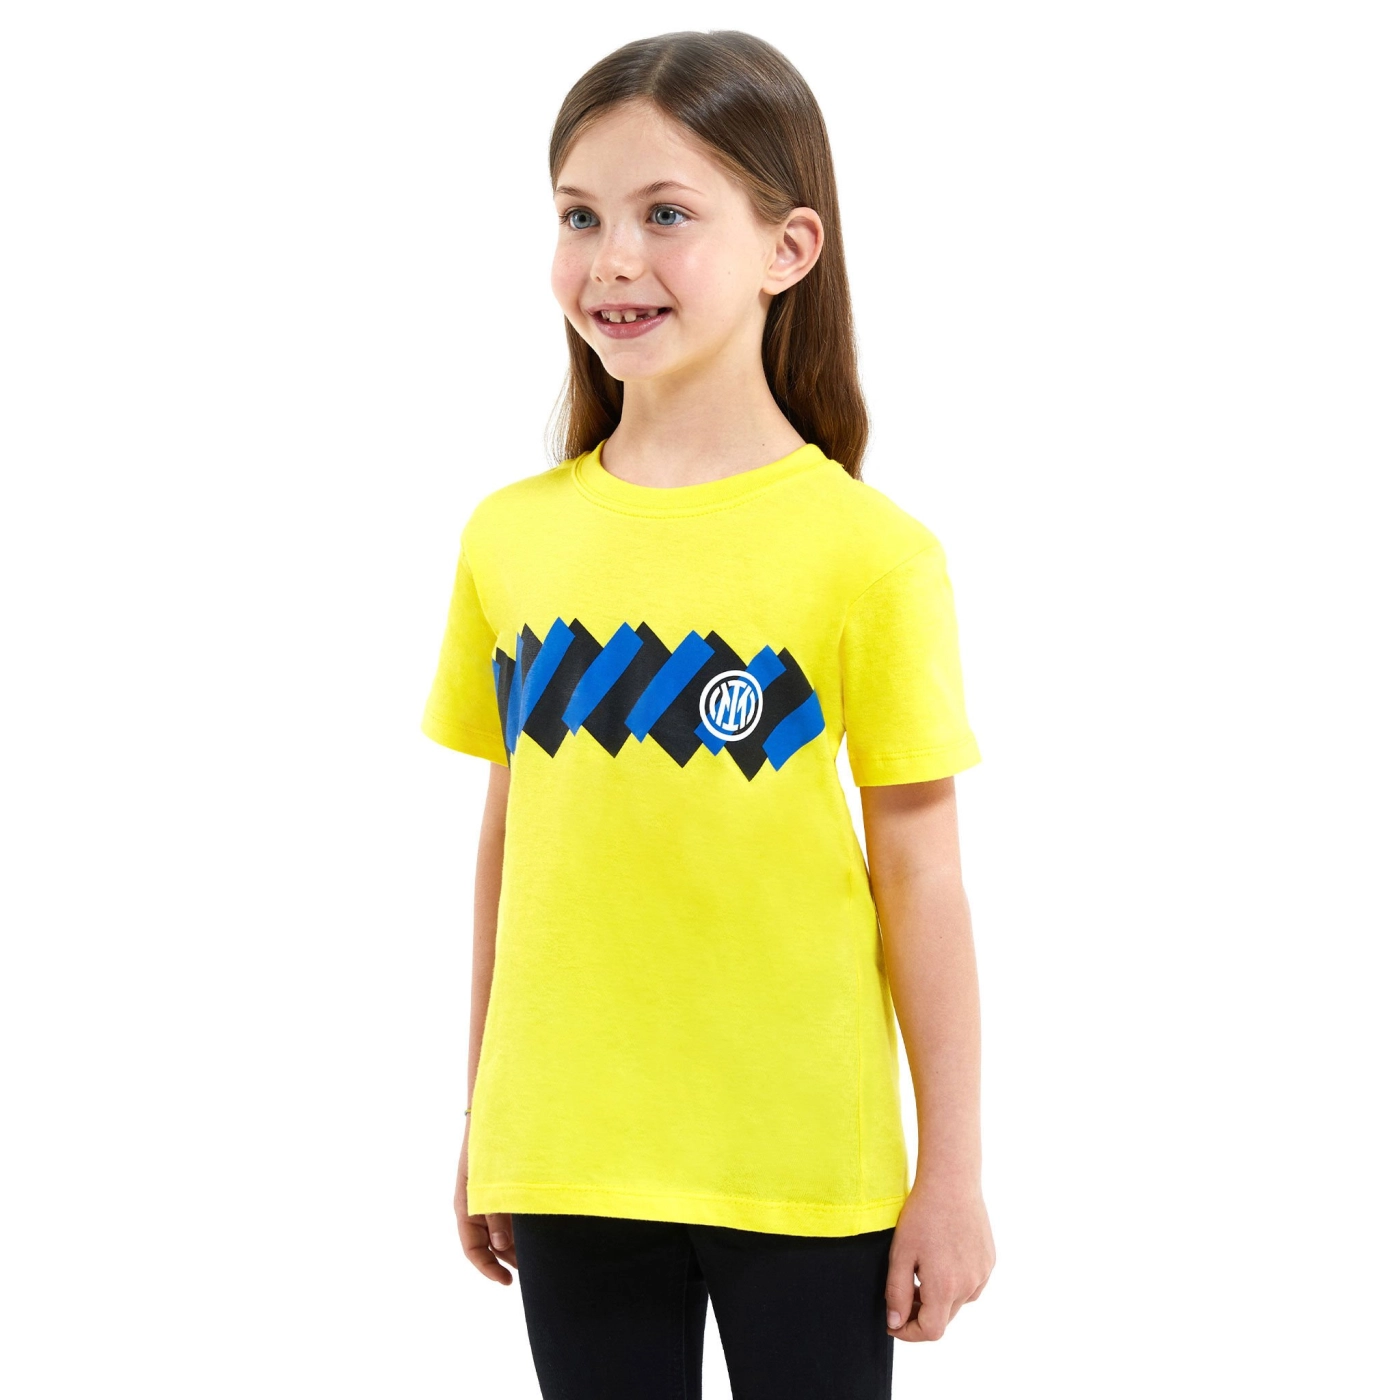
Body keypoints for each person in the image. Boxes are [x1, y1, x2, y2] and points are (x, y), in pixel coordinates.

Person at [421, 29, 994, 1399]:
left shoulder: (870, 556)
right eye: (580, 217)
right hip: (571, 1151)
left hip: (804, 1161)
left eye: (666, 215)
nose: (613, 259)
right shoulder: (510, 539)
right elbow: (512, 844)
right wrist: (487, 1113)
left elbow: (922, 872)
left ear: (788, 249)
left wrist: (953, 1174)